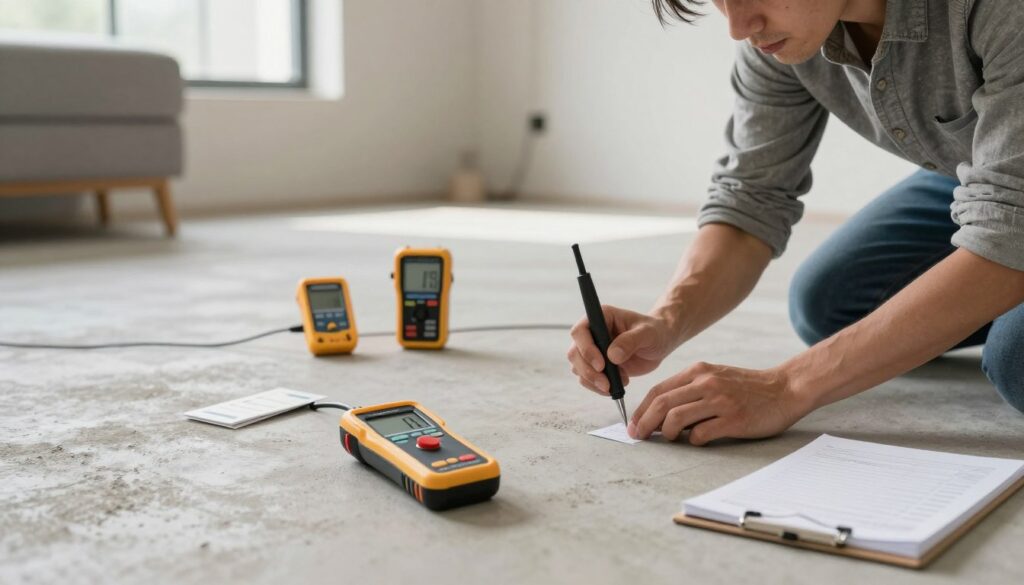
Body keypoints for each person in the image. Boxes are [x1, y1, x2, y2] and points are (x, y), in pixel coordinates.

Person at [566, 0, 1024, 445]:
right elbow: (752, 196)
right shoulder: (782, 35)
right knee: (831, 301)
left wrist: (787, 387)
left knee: (1015, 358)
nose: (738, 26)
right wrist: (667, 319)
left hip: (1011, 195)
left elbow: (1008, 230)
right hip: (998, 173)